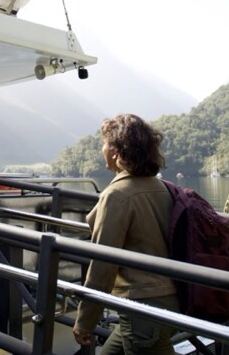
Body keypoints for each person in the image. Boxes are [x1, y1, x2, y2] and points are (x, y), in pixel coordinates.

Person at [73, 113, 179, 354]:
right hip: (168, 300)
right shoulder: (161, 187)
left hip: (143, 308)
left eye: (104, 143)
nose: (102, 149)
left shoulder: (117, 195)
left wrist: (85, 320)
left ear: (116, 151)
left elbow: (103, 264)